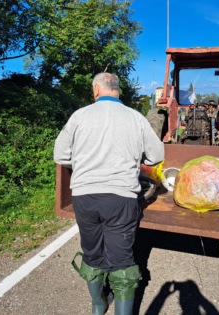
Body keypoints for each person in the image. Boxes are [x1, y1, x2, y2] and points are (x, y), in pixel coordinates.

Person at [54, 72, 164, 315]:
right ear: (117, 91)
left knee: (92, 252)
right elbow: (156, 156)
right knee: (121, 259)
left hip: (84, 196)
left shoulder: (79, 116)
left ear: (96, 91)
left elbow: (60, 155)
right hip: (120, 198)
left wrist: (85, 164)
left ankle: (98, 304)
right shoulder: (135, 118)